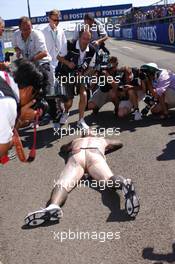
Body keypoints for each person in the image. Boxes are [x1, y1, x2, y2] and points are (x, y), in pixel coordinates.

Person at [24, 132, 140, 227]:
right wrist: (106, 146)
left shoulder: (76, 140)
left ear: (83, 135)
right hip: (95, 153)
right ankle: (124, 184)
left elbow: (63, 149)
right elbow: (119, 143)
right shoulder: (100, 140)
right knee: (108, 179)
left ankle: (53, 206)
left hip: (77, 155)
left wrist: (71, 145)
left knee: (63, 184)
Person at [12, 17, 57, 122]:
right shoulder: (16, 35)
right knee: (23, 87)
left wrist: (30, 60)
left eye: (29, 28)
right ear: (19, 28)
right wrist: (18, 50)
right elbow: (15, 46)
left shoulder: (37, 34)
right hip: (28, 64)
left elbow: (44, 53)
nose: (28, 30)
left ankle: (55, 113)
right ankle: (31, 113)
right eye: (25, 29)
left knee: (47, 87)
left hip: (41, 62)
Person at [0, 59, 48, 159]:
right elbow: (2, 153)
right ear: (29, 90)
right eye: (34, 96)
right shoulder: (8, 102)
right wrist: (20, 120)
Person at [57, 30, 96, 129]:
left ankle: (81, 120)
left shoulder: (92, 50)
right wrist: (68, 63)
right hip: (67, 73)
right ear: (79, 37)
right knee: (68, 101)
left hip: (81, 74)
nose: (86, 41)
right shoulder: (69, 44)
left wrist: (83, 75)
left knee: (84, 94)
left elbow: (91, 68)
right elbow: (59, 57)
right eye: (84, 38)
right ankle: (66, 112)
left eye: (88, 39)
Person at [42, 9, 67, 126]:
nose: (56, 22)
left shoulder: (61, 30)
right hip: (49, 65)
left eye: (58, 20)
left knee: (61, 90)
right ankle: (55, 114)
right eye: (54, 20)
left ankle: (61, 110)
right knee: (52, 91)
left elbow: (64, 47)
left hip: (60, 64)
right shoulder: (43, 32)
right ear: (49, 19)